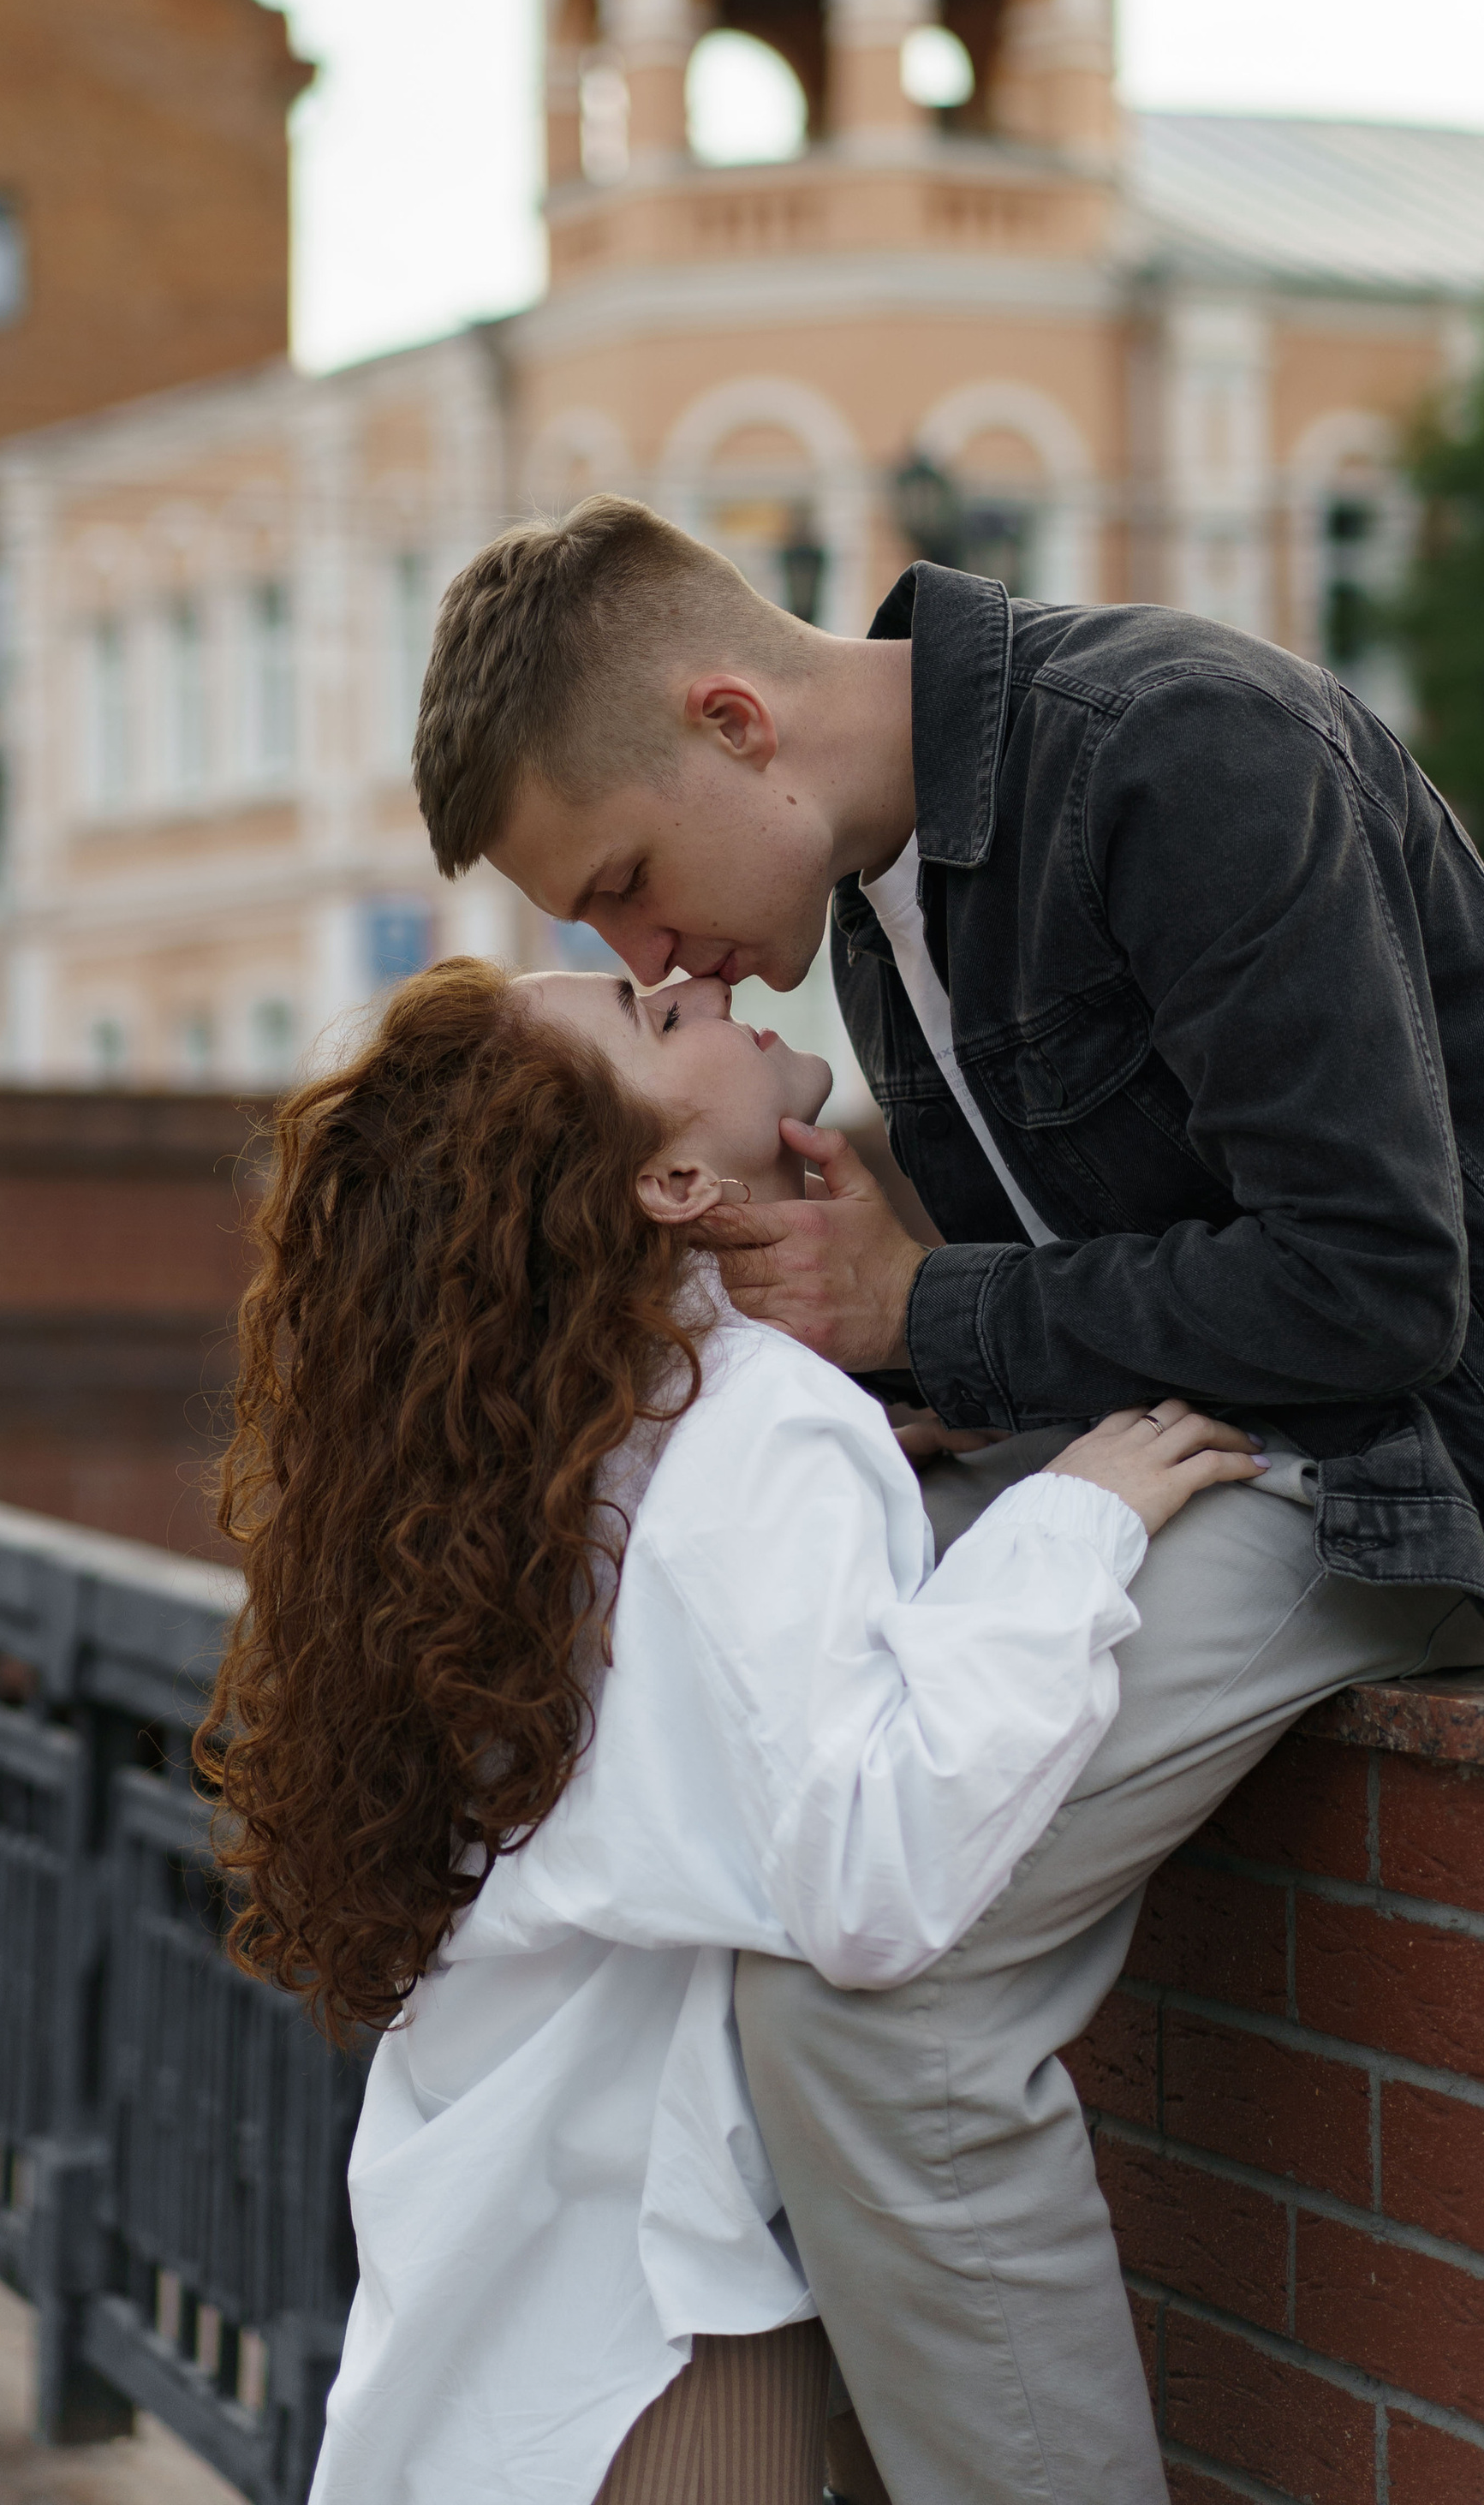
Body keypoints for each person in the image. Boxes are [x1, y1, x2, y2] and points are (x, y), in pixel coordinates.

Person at [412, 495, 1484, 2505]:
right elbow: (1113, 1226)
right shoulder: (872, 874)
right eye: (597, 942)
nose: (647, 956)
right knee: (751, 1839)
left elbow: (1378, 1285)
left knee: (879, 1996)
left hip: (1415, 1473)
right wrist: (929, 1376)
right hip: (1194, 1444)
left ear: (733, 720)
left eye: (623, 884)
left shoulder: (1172, 746)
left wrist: (933, 1315)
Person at [197, 954, 1265, 2505]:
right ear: (675, 1177)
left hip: (513, 2263)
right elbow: (867, 1872)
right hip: (655, 2312)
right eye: (649, 1018)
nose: (689, 974)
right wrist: (1071, 1529)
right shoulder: (757, 1420)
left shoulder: (560, 1443)